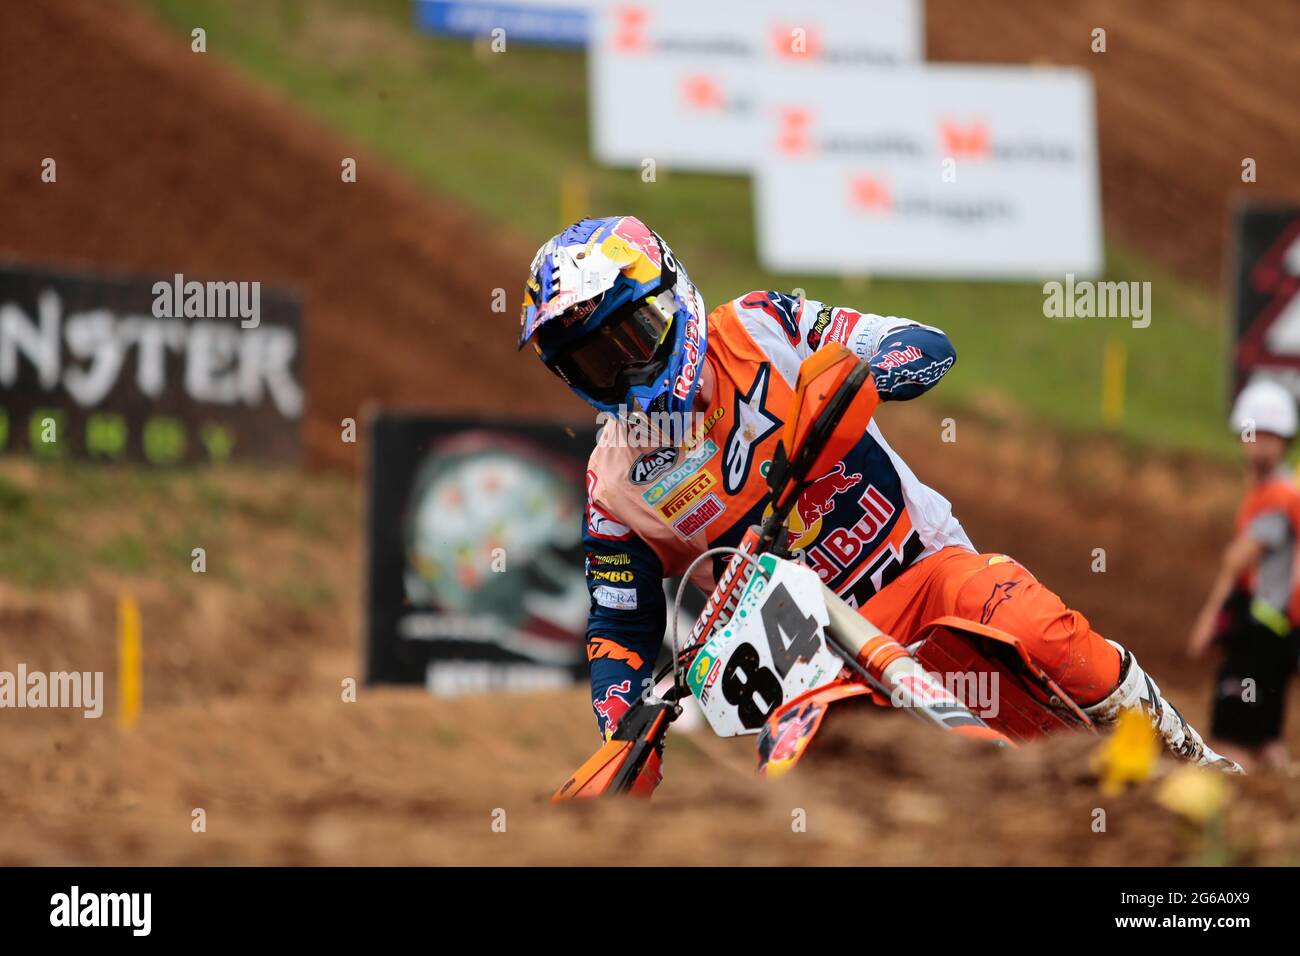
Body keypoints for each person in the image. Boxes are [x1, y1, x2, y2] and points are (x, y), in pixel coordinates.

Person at [519, 215, 1240, 774]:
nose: (626, 374)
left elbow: (920, 343)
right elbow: (620, 629)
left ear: (672, 295)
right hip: (808, 669)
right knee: (840, 789)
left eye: (633, 337)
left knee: (1045, 632)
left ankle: (1192, 761)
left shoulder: (765, 326)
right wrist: (622, 730)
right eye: (594, 362)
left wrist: (862, 382)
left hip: (923, 576)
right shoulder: (612, 489)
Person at [1188, 379, 1300, 771]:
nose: (1259, 442)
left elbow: (1239, 560)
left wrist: (1207, 621)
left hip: (1258, 636)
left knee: (1230, 744)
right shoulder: (1274, 492)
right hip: (1280, 637)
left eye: (1269, 435)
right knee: (1267, 744)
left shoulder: (1277, 497)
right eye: (1256, 432)